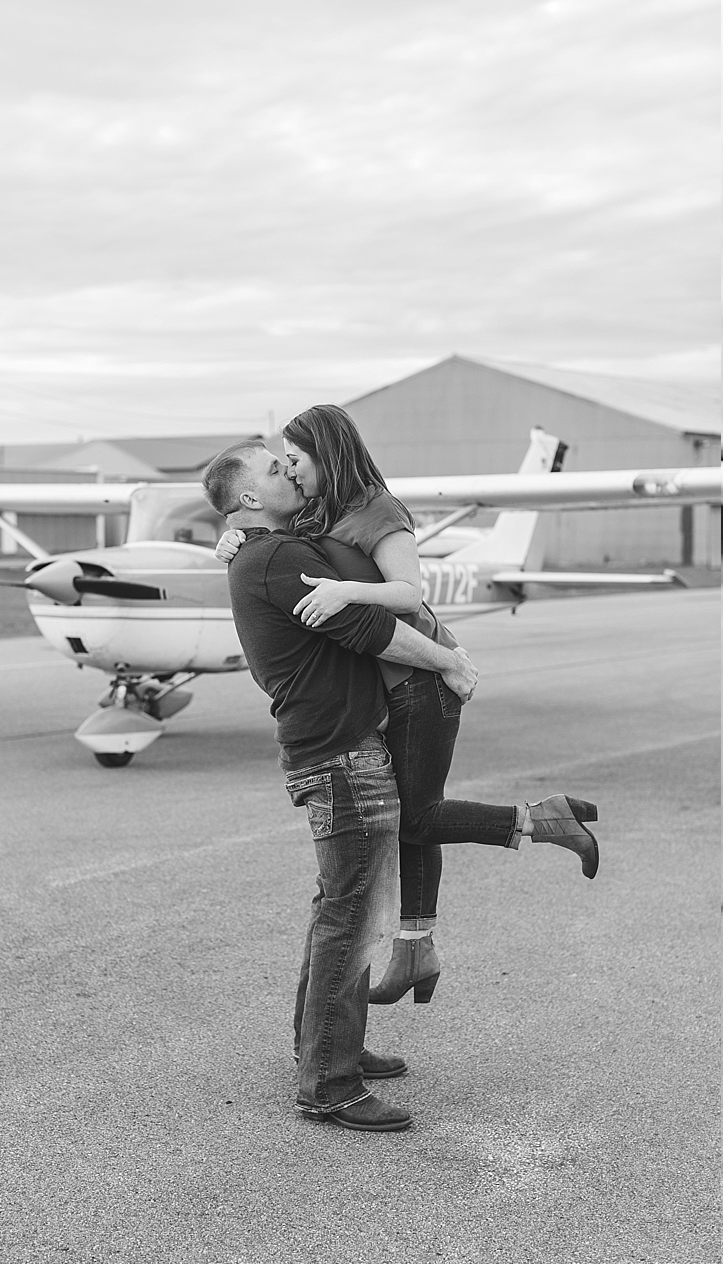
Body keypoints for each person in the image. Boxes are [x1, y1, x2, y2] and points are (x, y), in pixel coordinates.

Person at [216, 404, 599, 1010]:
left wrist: (352, 596)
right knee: (416, 815)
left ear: (326, 452)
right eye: (280, 465)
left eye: (295, 460)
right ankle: (415, 947)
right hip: (392, 683)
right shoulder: (319, 513)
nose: (289, 471)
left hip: (421, 672)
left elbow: (407, 593)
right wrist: (235, 533)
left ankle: (543, 820)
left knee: (415, 819)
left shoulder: (376, 508)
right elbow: (275, 547)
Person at [201, 438, 477, 1133]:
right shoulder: (279, 557)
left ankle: (324, 1044)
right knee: (352, 912)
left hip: (328, 752)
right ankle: (329, 1080)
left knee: (340, 906)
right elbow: (370, 626)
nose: (286, 468)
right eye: (272, 467)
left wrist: (228, 537)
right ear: (251, 499)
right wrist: (449, 661)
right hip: (342, 757)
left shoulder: (263, 550)